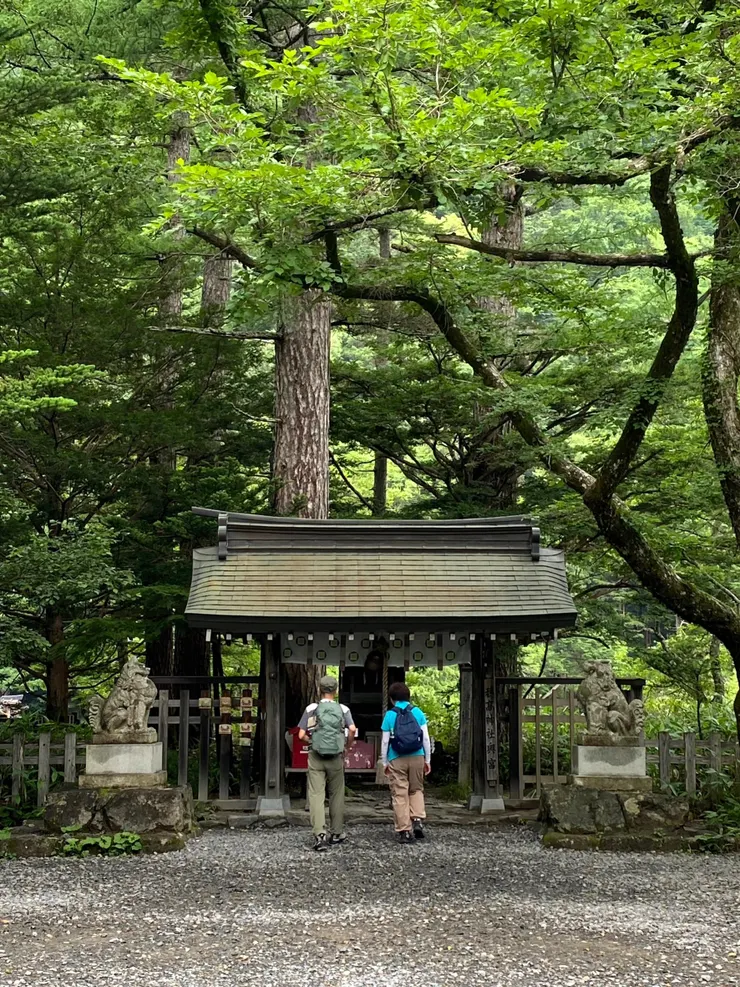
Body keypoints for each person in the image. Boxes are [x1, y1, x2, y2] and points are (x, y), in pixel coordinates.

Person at [298, 675, 356, 852]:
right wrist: (347, 746)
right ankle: (337, 833)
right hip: (336, 757)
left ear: (319, 689)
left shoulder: (312, 708)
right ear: (336, 691)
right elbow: (352, 729)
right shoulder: (343, 709)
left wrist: (312, 741)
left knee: (316, 794)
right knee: (337, 793)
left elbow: (300, 735)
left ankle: (319, 835)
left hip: (316, 756)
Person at [381, 681, 431, 844]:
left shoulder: (390, 715)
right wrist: (427, 759)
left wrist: (384, 761)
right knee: (416, 789)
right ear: (409, 696)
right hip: (417, 755)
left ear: (392, 699)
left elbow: (385, 741)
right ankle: (417, 819)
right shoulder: (418, 712)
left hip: (397, 757)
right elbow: (425, 738)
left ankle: (404, 831)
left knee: (400, 793)